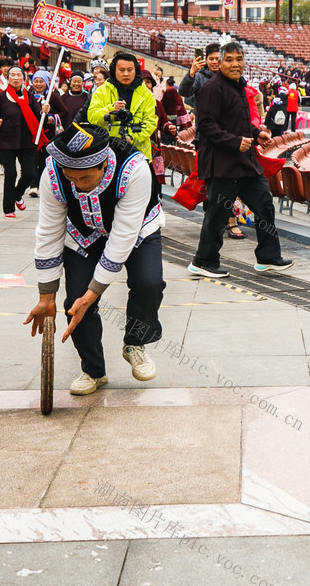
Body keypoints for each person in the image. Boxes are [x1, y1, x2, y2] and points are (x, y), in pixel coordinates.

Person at [25, 123, 165, 395]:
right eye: (71, 178)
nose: (77, 186)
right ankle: (93, 370)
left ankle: (135, 343)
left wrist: (95, 292)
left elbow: (122, 237)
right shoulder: (53, 173)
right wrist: (46, 295)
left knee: (149, 282)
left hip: (136, 228)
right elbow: (49, 232)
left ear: (104, 166)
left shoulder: (134, 169)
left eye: (85, 178)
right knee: (74, 301)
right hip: (83, 233)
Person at [186, 42, 292, 279]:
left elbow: (240, 123)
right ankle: (204, 261)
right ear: (220, 63)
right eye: (229, 59)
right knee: (217, 214)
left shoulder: (239, 87)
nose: (235, 64)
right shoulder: (212, 88)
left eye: (239, 59)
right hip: (222, 164)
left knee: (264, 204)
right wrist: (235, 142)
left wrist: (257, 134)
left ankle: (268, 257)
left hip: (245, 162)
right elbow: (205, 126)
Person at [0, 66, 45, 218]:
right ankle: (8, 208)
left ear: (23, 79)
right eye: (13, 75)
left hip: (26, 141)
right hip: (7, 141)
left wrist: (45, 112)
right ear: (8, 78)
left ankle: (17, 195)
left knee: (29, 173)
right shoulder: (1, 97)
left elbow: (38, 116)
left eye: (19, 75)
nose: (16, 78)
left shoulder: (29, 97)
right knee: (10, 174)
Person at [87, 53, 158, 157]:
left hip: (139, 154)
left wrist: (132, 138)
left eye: (130, 70)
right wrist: (111, 109)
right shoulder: (101, 91)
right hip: (107, 153)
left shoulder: (146, 94)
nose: (126, 74)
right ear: (113, 70)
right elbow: (92, 117)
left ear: (136, 70)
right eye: (121, 70)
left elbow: (151, 122)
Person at [179, 42, 220, 108]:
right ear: (206, 60)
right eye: (211, 59)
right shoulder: (199, 77)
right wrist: (191, 74)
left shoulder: (228, 77)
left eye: (217, 59)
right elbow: (183, 92)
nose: (214, 62)